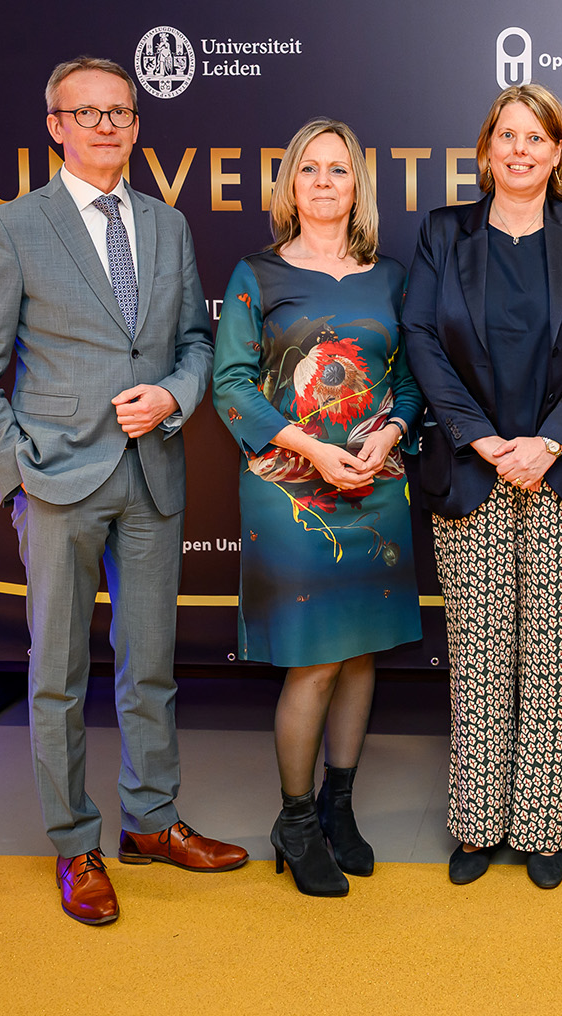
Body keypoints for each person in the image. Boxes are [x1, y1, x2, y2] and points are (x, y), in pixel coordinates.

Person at [0, 56, 245, 928]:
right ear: (56, 127)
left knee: (150, 664)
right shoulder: (13, 227)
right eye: (87, 113)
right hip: (58, 483)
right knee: (59, 673)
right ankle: (75, 843)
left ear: (137, 125)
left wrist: (174, 398)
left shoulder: (167, 224)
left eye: (120, 112)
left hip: (153, 473)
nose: (106, 125)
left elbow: (196, 343)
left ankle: (150, 821)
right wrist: (18, 476)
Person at [402, 84, 562, 891]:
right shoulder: (443, 232)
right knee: (480, 652)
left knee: (556, 656)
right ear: (486, 148)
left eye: (537, 137)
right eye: (507, 135)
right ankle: (478, 822)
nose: (520, 150)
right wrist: (482, 438)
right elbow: (421, 337)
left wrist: (550, 441)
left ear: (559, 152)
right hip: (472, 467)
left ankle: (542, 825)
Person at [212, 117, 422, 898]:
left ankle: (340, 807)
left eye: (339, 169)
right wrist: (311, 448)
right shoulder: (256, 274)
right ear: (290, 186)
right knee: (316, 659)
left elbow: (413, 380)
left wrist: (392, 430)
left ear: (357, 186)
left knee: (361, 652)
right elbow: (231, 385)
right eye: (310, 169)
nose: (325, 182)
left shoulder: (391, 276)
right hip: (290, 489)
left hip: (376, 483)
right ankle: (295, 822)